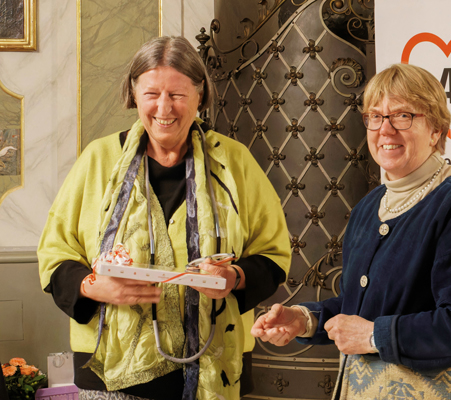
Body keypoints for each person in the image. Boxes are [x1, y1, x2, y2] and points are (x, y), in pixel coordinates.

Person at [38, 36, 291, 400]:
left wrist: (233, 277)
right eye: (152, 93)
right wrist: (94, 286)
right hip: (109, 371)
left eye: (177, 94)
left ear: (200, 96)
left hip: (213, 366)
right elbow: (55, 252)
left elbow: (273, 254)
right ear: (134, 94)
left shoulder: (235, 163)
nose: (163, 108)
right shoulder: (98, 159)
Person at [251, 63, 451, 400]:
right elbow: (363, 306)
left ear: (436, 130)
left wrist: (376, 336)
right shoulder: (369, 207)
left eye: (403, 116)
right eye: (375, 116)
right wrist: (305, 319)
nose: (385, 130)